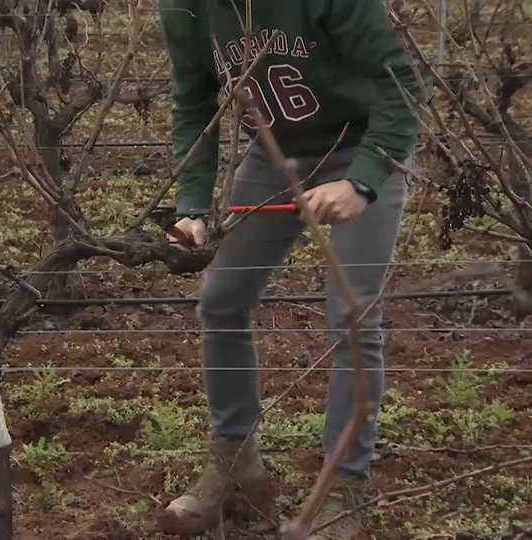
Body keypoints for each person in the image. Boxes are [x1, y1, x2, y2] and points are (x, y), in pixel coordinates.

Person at [155, 1, 427, 538]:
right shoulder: (184, 8)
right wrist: (190, 206)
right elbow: (193, 103)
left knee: (352, 317)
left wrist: (364, 180)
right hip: (272, 155)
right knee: (222, 298)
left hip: (361, 143)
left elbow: (400, 89)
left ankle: (343, 490)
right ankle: (235, 465)